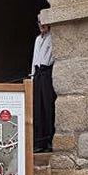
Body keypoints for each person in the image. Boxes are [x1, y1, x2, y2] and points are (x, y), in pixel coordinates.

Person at [31, 15, 56, 153]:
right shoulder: (37, 39)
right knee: (37, 107)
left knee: (48, 106)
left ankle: (49, 140)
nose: (42, 25)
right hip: (37, 74)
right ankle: (39, 141)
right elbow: (35, 59)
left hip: (46, 73)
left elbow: (51, 56)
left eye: (44, 22)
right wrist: (32, 76)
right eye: (40, 23)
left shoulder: (53, 37)